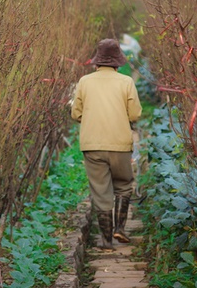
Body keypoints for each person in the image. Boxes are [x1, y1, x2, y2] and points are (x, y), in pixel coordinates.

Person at [71, 38, 142, 250]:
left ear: (97, 61)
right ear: (117, 62)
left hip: (92, 145)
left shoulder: (85, 82)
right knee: (124, 185)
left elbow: (76, 113)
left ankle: (107, 241)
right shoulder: (126, 82)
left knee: (101, 191)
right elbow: (136, 114)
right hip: (120, 143)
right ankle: (120, 227)